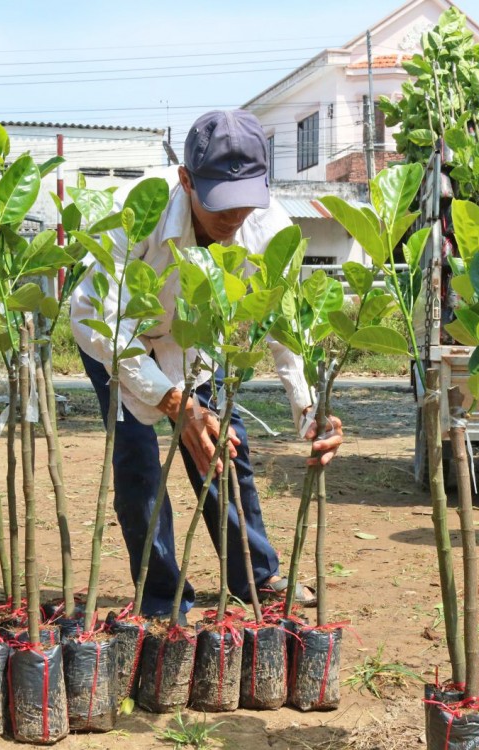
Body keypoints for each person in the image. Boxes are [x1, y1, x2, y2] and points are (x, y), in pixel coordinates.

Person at [70, 110, 344, 618]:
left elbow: (284, 325)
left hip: (195, 340)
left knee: (223, 448)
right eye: (220, 201)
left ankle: (255, 576)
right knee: (138, 465)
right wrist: (172, 400)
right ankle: (161, 598)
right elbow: (93, 317)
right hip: (119, 341)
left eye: (245, 200)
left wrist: (311, 408)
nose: (234, 217)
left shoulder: (269, 227)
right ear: (186, 179)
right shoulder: (139, 212)